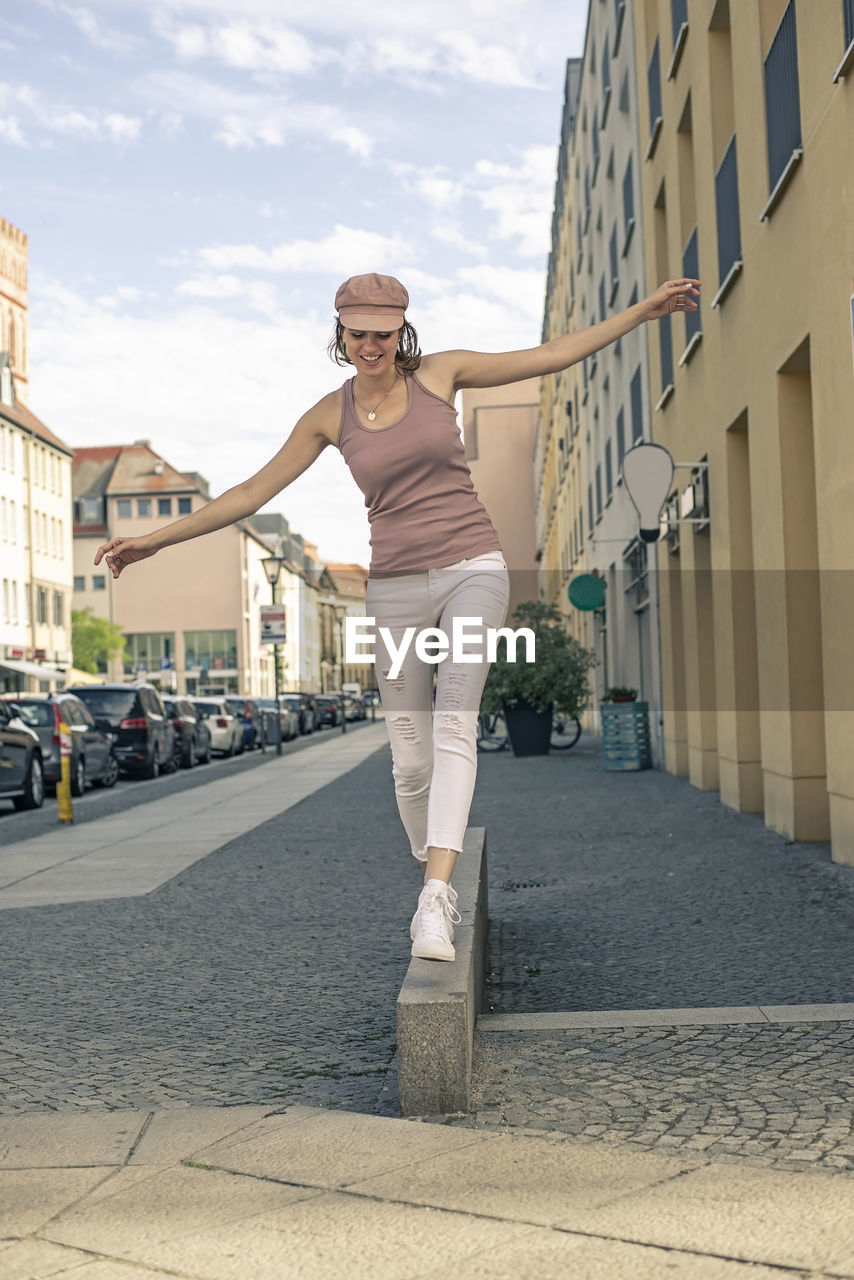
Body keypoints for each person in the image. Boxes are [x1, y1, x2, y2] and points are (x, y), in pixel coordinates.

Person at [95, 271, 700, 962]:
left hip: (474, 568)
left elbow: (552, 355)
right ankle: (435, 875)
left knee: (454, 724)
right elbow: (249, 491)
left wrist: (643, 311)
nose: (372, 345)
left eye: (384, 332)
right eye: (359, 333)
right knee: (410, 761)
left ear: (402, 329)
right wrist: (151, 541)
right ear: (341, 333)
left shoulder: (442, 375)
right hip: (394, 590)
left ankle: (435, 902)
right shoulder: (330, 414)